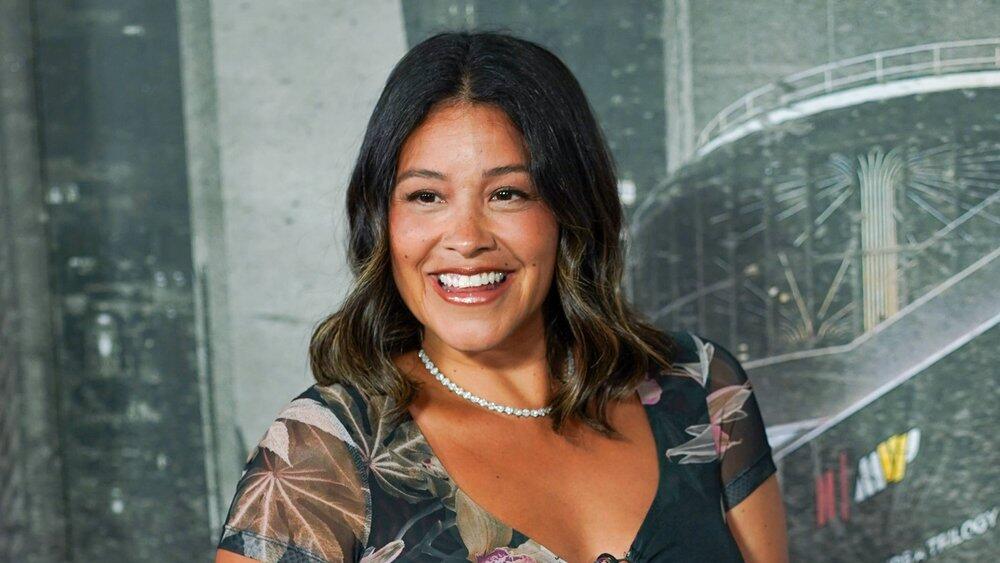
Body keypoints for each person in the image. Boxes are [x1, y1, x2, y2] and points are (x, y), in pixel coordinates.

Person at [214, 30, 787, 563]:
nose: (466, 239)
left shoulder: (700, 386)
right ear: (381, 220)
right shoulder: (323, 454)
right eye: (426, 197)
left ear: (569, 208)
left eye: (507, 193)